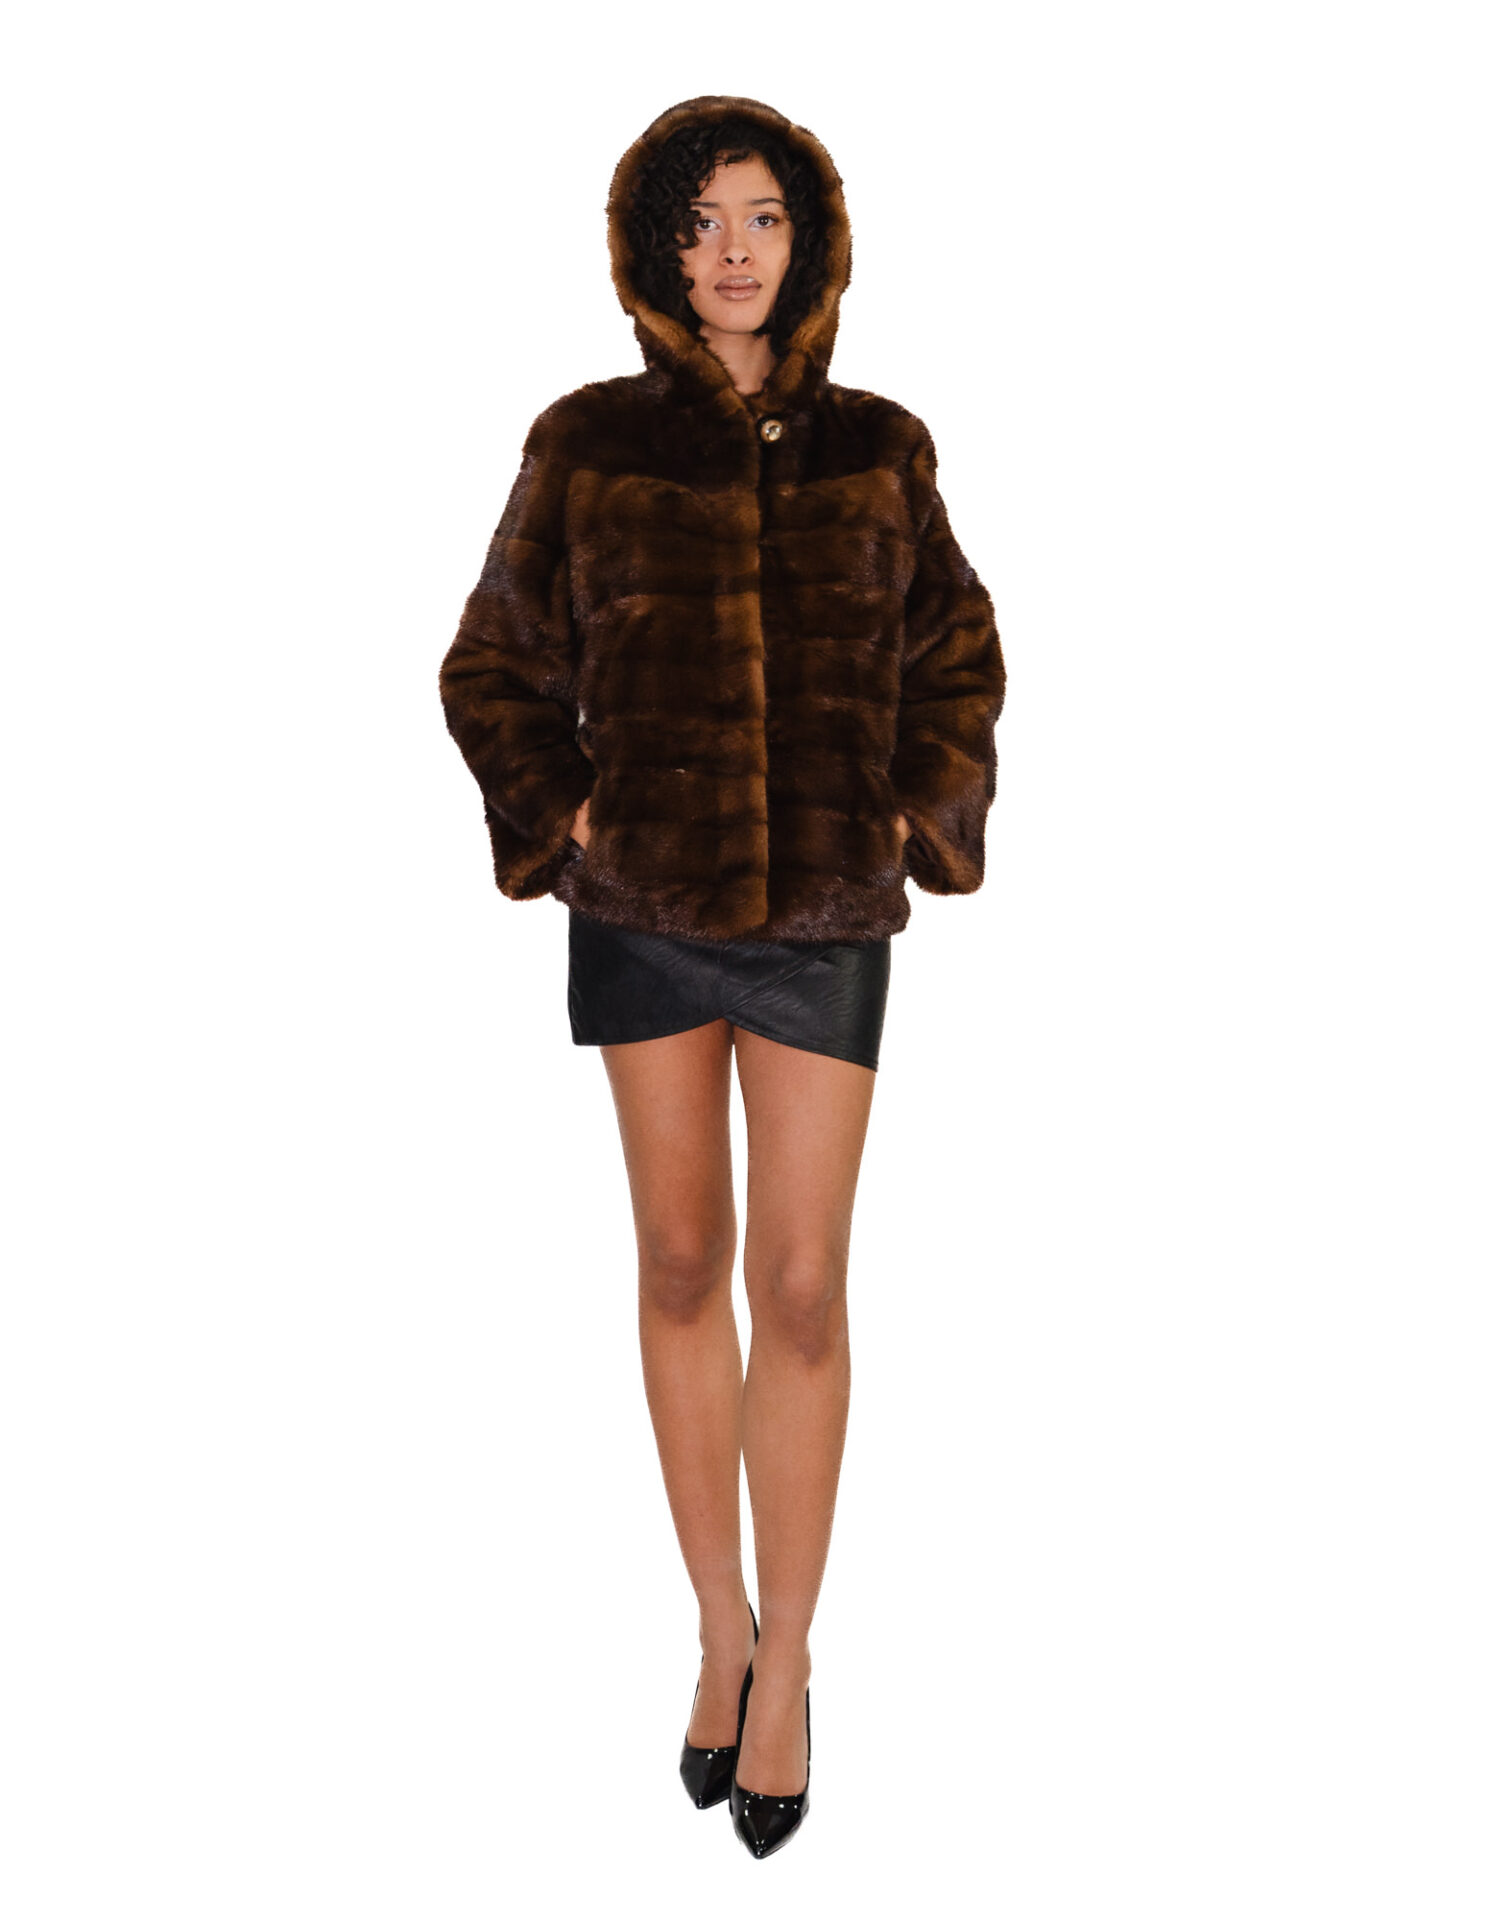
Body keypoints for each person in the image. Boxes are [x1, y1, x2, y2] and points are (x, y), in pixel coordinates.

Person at [439, 94, 1006, 1859]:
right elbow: (489, 667)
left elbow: (959, 654)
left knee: (806, 1282)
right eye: (699, 224)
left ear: (808, 238)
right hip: (648, 909)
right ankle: (716, 1631)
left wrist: (911, 812)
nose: (733, 252)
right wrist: (574, 818)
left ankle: (793, 1663)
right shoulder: (587, 442)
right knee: (683, 1262)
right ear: (654, 251)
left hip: (824, 915)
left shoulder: (882, 448)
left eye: (759, 217)